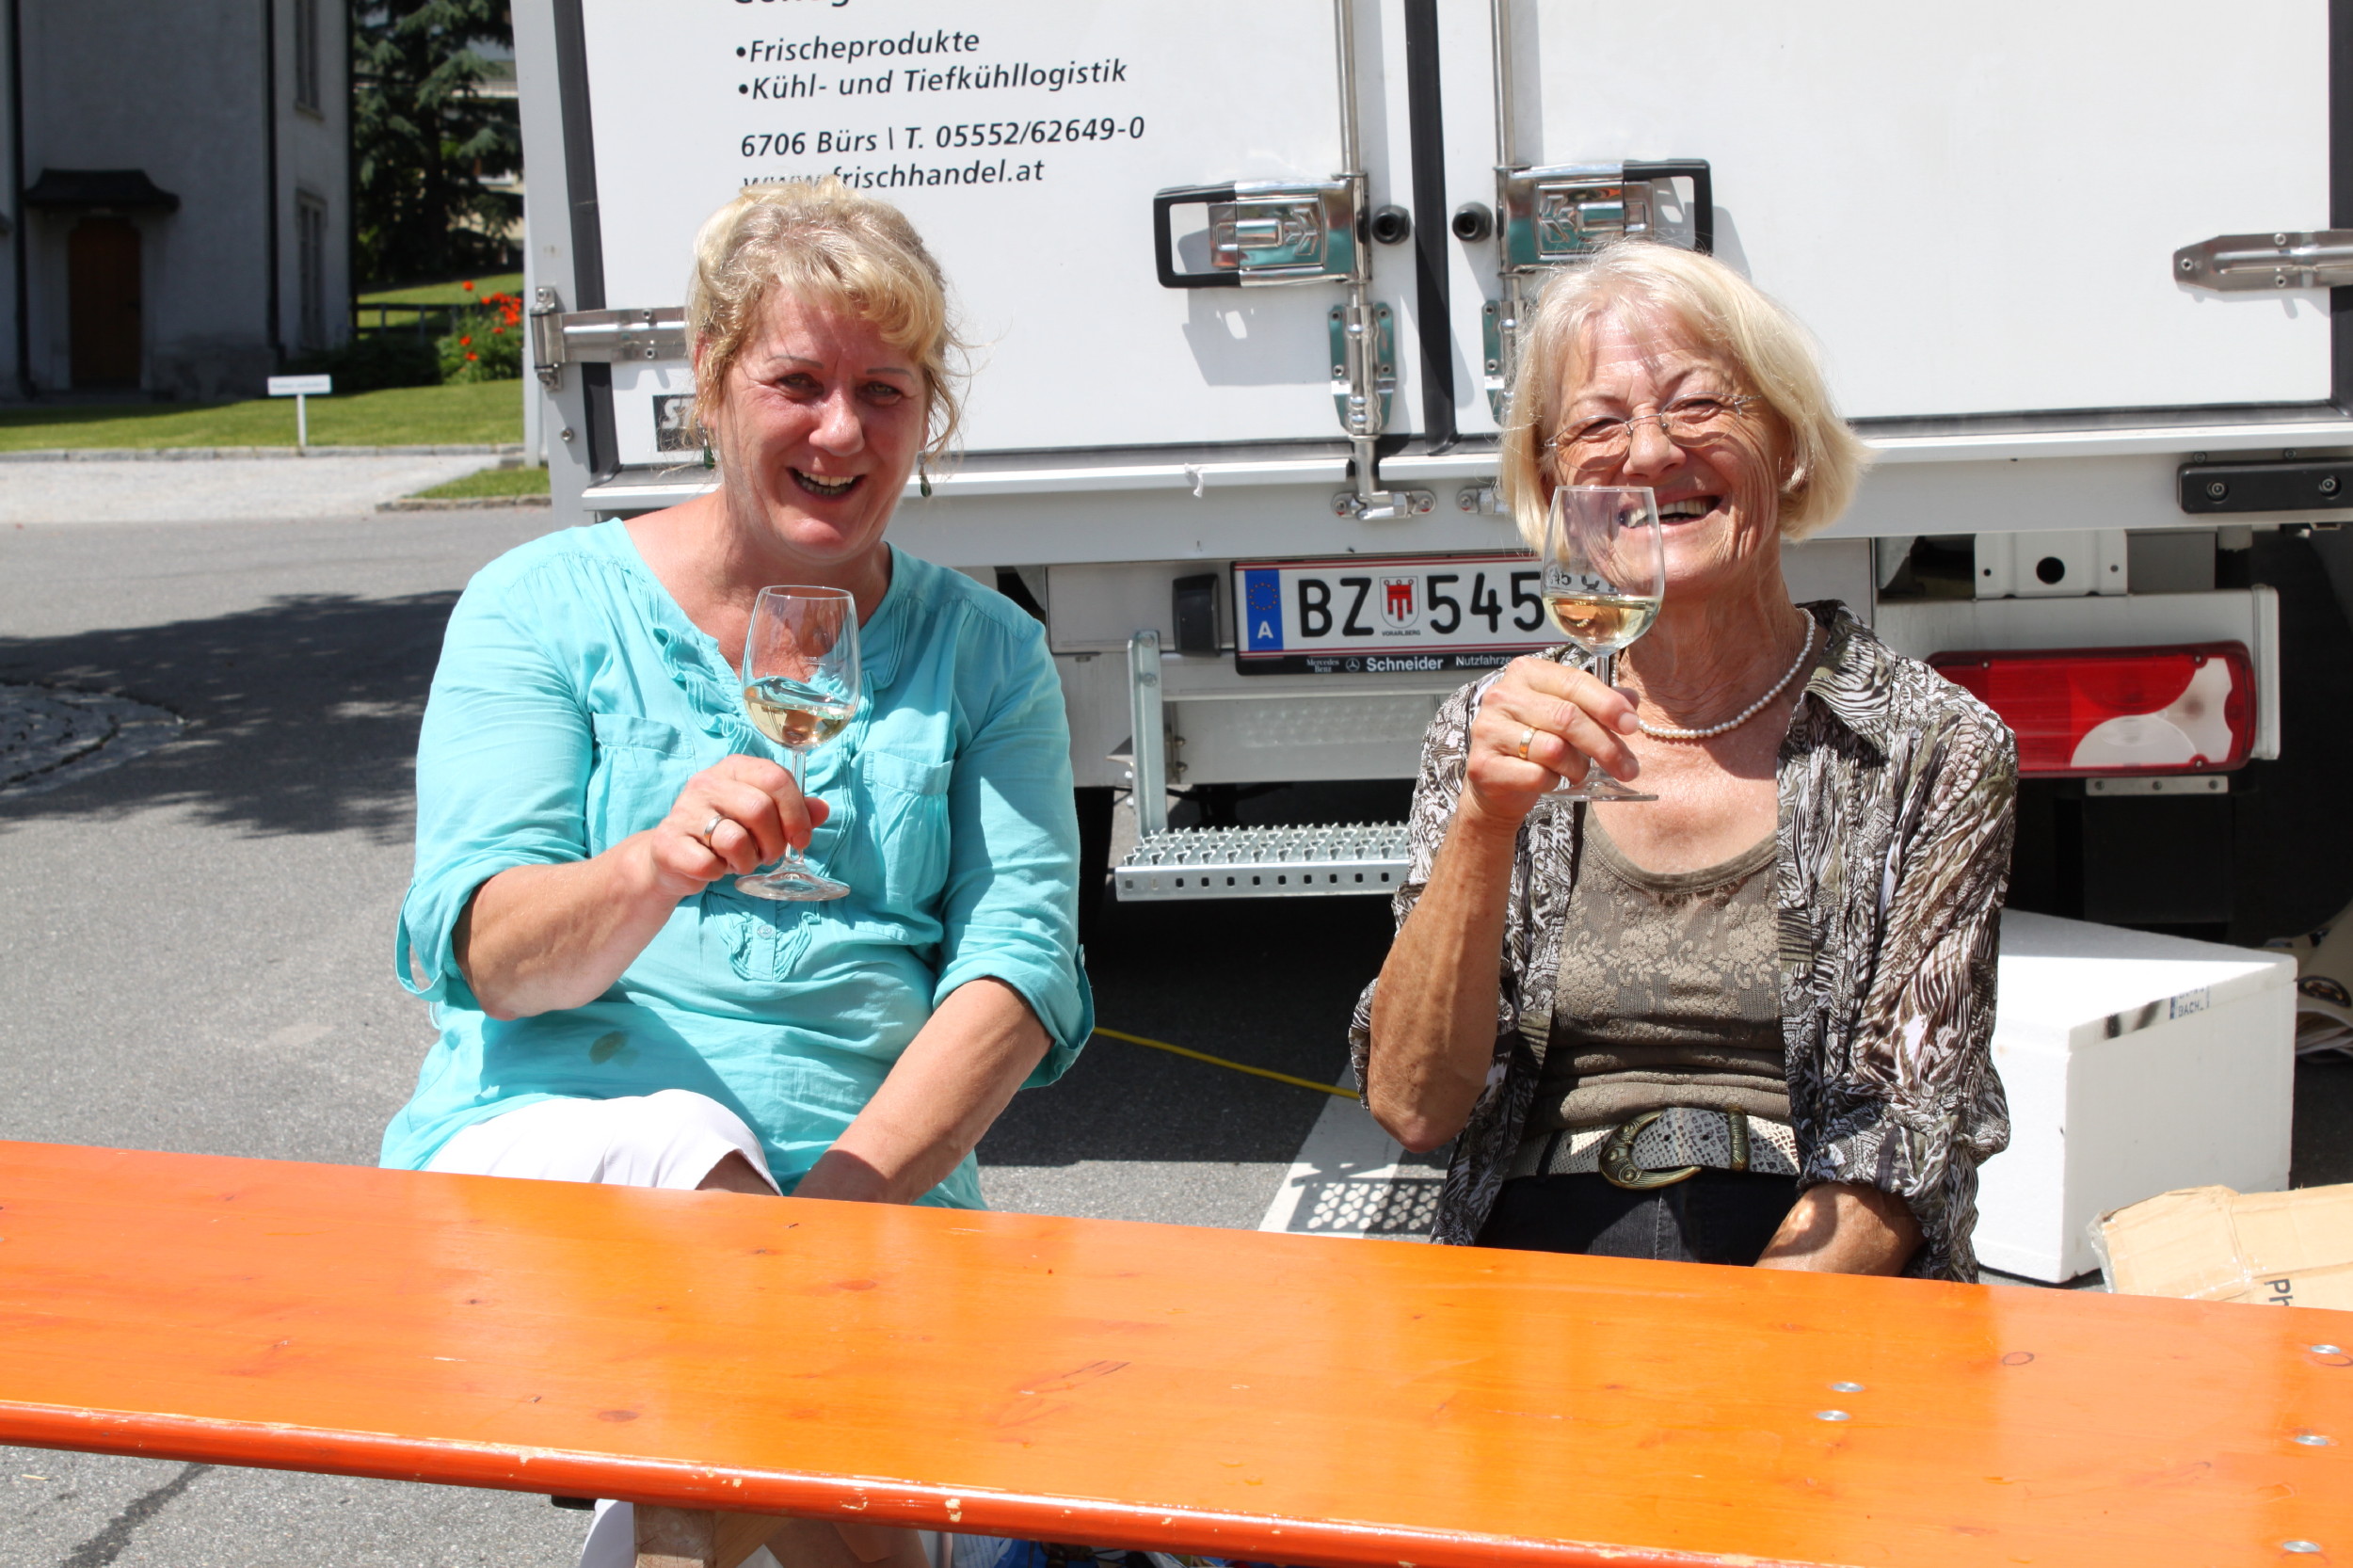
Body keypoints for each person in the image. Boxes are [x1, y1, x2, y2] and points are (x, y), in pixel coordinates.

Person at [382, 178, 1092, 1568]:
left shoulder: (988, 652)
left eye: (884, 391)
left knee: (751, 1444)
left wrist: (827, 1222)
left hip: (870, 1200)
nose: (841, 431)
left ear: (928, 414)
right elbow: (491, 956)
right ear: (710, 380)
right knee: (692, 1166)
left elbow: (1019, 973)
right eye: (798, 383)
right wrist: (650, 867)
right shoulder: (542, 606)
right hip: (566, 1159)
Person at [1354, 240, 2014, 1281]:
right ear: (1554, 481)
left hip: (1807, 1264)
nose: (1651, 453)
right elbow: (1412, 1106)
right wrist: (1484, 822)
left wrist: (1733, 1348)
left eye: (1700, 406)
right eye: (1598, 425)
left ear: (1787, 445)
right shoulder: (1493, 730)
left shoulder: (1930, 743)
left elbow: (1905, 1139)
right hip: (1544, 1256)